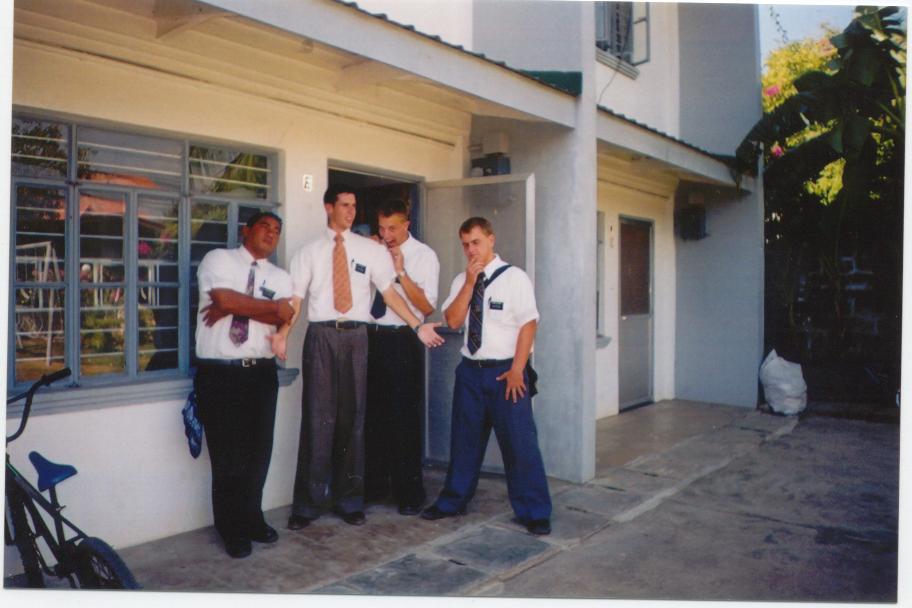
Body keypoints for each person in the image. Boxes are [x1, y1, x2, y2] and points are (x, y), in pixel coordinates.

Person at [272, 185, 443, 529]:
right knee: (318, 419)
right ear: (328, 207)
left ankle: (350, 500)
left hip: (357, 337)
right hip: (321, 336)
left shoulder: (371, 250)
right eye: (345, 205)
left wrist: (416, 326)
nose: (351, 212)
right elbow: (295, 300)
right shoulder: (308, 252)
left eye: (354, 206)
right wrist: (282, 334)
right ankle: (306, 505)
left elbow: (390, 294)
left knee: (354, 420)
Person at [420, 216, 552, 535]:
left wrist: (518, 369)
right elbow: (452, 321)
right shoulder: (461, 280)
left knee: (520, 445)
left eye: (476, 242)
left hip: (506, 371)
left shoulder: (514, 278)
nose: (470, 250)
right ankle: (453, 501)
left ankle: (534, 511)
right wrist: (468, 283)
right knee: (464, 442)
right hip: (471, 372)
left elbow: (528, 324)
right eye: (465, 245)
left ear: (491, 240)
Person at [194, 211, 295, 558]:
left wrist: (239, 305)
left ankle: (252, 518)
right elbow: (225, 301)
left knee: (258, 454)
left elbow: (286, 315)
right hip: (221, 373)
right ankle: (231, 527)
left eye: (277, 230)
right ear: (246, 230)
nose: (271, 234)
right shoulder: (218, 259)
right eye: (265, 227)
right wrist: (265, 308)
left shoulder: (280, 276)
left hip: (260, 374)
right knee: (228, 457)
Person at [364, 199, 440, 515]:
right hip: (371, 337)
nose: (387, 234)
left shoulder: (424, 256)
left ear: (407, 224)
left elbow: (426, 307)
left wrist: (400, 272)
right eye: (381, 228)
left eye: (392, 228)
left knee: (403, 416)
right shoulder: (371, 249)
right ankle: (375, 487)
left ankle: (409, 492)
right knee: (372, 414)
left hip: (403, 339)